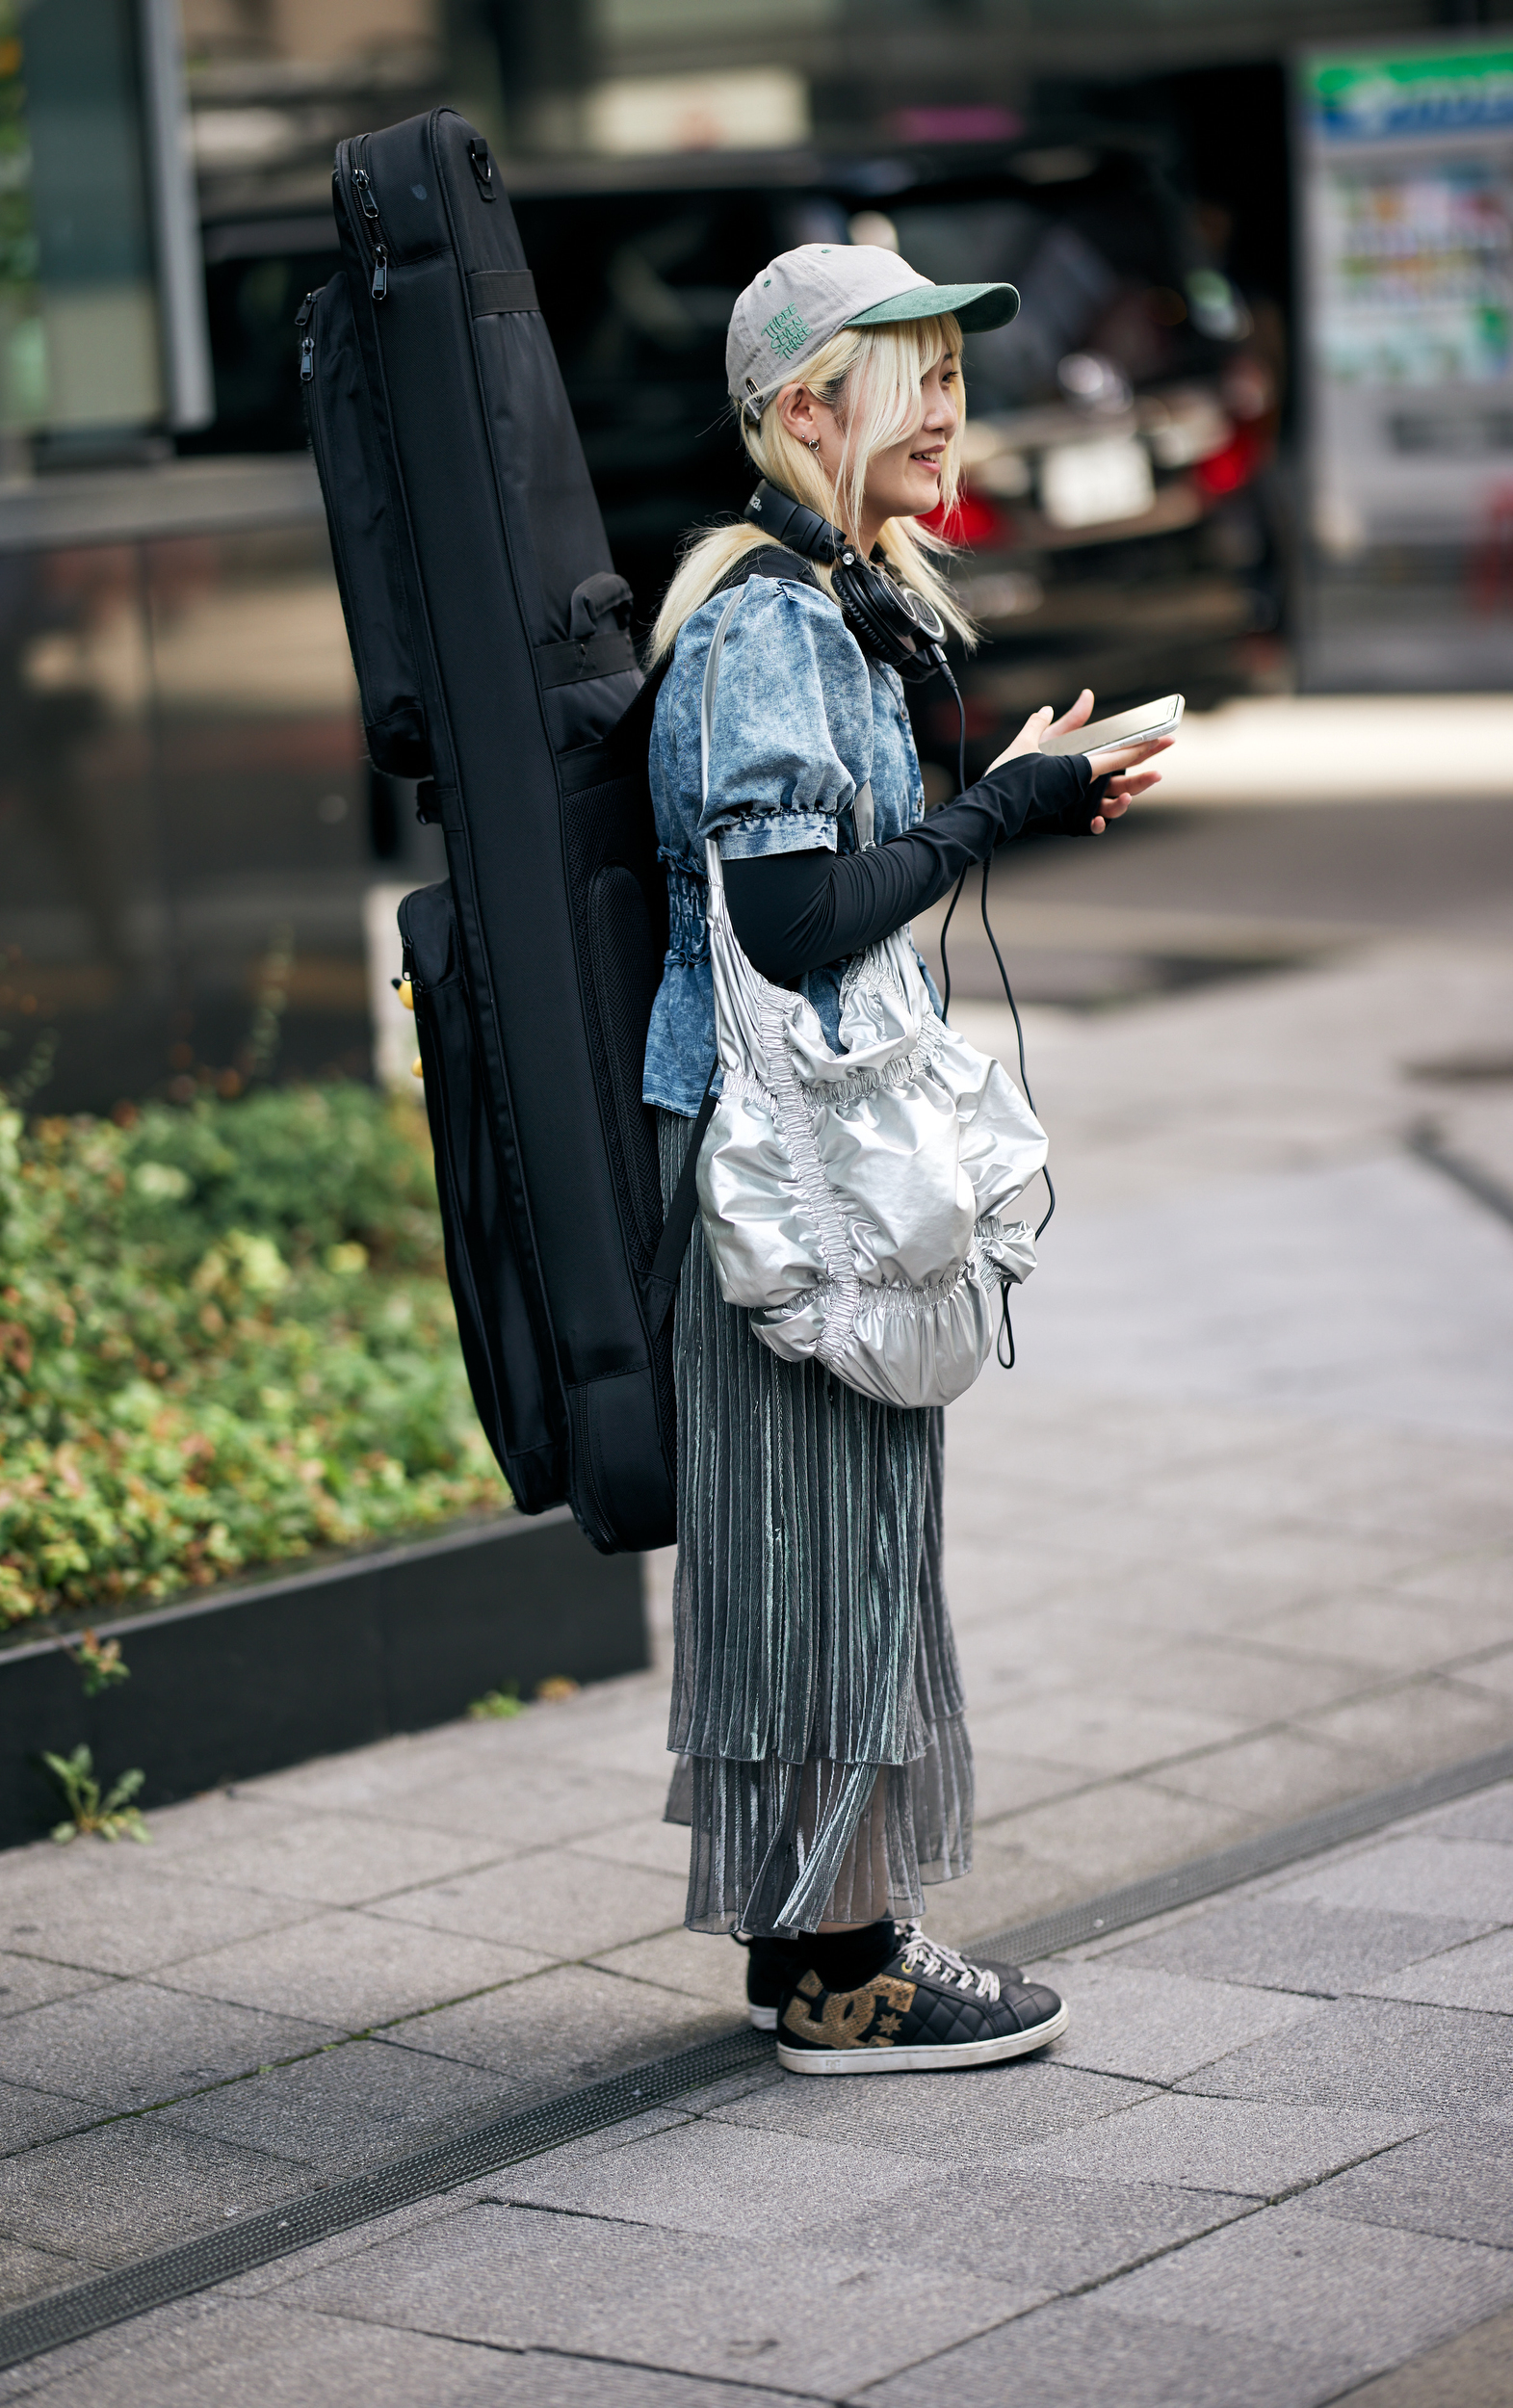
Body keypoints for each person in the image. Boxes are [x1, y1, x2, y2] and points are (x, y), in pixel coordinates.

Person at [642, 243, 1169, 2077]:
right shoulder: (766, 622)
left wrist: (1019, 792)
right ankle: (847, 1970)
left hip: (800, 1153)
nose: (948, 405)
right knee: (820, 1541)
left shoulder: (833, 603)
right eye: (911, 373)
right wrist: (994, 810)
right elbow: (789, 923)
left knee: (835, 1536)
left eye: (954, 368)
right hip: (766, 1168)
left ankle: (822, 1942)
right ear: (807, 412)